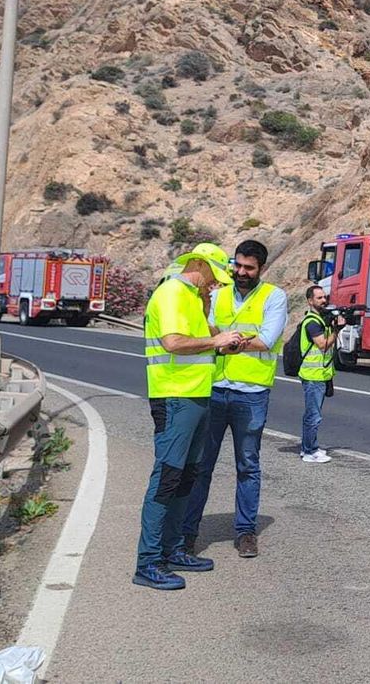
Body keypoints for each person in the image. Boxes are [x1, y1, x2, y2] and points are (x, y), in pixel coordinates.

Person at [135, 243, 241, 591]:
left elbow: (200, 336)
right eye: (214, 275)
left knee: (186, 477)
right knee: (167, 477)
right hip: (174, 397)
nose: (217, 283)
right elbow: (173, 342)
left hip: (195, 395)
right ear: (199, 264)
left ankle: (174, 549)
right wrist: (217, 340)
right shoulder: (171, 293)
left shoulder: (193, 297)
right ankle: (148, 562)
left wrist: (222, 336)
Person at [181, 240, 287, 559]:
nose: (241, 272)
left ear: (261, 269)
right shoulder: (219, 293)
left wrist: (226, 343)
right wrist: (217, 338)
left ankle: (245, 532)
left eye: (248, 268)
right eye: (237, 265)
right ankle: (187, 533)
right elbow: (206, 328)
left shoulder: (274, 297)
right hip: (214, 389)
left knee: (248, 465)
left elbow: (266, 340)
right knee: (201, 465)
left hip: (251, 394)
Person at [295, 285, 338, 462]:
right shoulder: (312, 322)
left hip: (320, 374)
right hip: (313, 376)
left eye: (324, 297)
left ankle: (309, 448)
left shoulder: (320, 320)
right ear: (310, 301)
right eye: (319, 298)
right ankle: (310, 451)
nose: (323, 300)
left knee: (312, 414)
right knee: (313, 416)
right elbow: (322, 345)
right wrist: (337, 331)